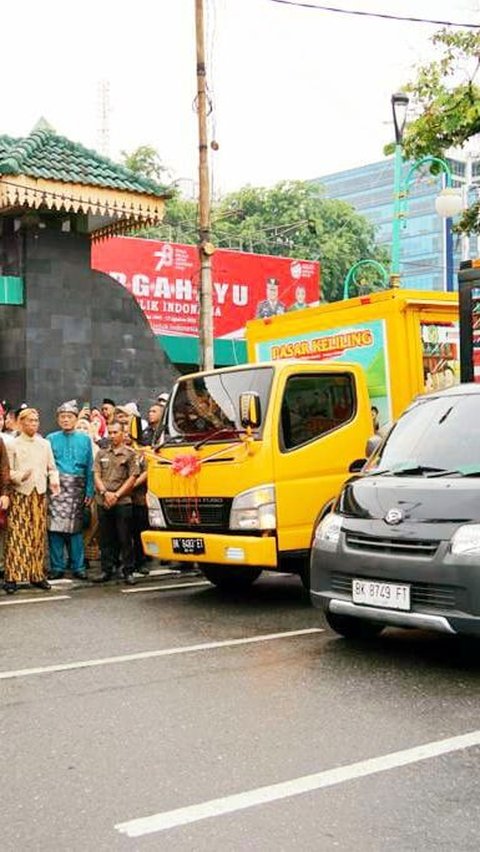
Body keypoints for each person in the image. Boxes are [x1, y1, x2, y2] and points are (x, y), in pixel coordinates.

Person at [4, 408, 60, 595]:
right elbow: (6, 471)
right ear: (21, 423)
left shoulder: (44, 444)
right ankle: (12, 576)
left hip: (40, 494)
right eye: (29, 421)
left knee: (37, 535)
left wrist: (54, 481)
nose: (33, 424)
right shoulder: (12, 444)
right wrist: (20, 475)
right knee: (17, 536)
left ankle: (37, 574)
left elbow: (52, 468)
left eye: (36, 421)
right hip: (20, 494)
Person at [46, 401, 95, 581]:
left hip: (77, 488)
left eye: (69, 417)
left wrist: (90, 491)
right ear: (58, 419)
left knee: (76, 530)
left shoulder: (84, 439)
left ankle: (78, 566)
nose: (66, 420)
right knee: (54, 529)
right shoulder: (50, 438)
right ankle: (57, 566)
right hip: (56, 488)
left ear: (76, 419)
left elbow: (90, 466)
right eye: (62, 417)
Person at [93, 420, 138, 585]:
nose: (112, 436)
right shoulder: (101, 453)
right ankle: (107, 569)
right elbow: (96, 474)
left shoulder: (130, 454)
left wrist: (117, 495)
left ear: (123, 433)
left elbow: (133, 477)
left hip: (123, 501)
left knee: (125, 537)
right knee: (105, 537)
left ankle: (128, 570)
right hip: (103, 499)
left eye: (115, 432)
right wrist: (105, 493)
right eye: (110, 432)